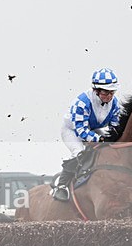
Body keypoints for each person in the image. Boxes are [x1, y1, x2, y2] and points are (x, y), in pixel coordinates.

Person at [51, 68, 122, 202]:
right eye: (106, 92)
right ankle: (61, 185)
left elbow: (115, 127)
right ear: (96, 90)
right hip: (72, 131)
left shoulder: (115, 104)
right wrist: (100, 139)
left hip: (94, 129)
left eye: (112, 92)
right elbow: (81, 131)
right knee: (79, 152)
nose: (109, 96)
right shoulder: (82, 102)